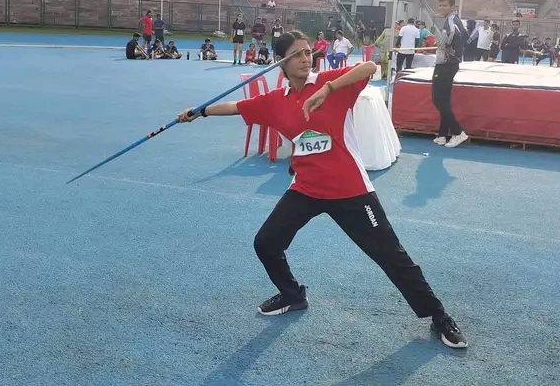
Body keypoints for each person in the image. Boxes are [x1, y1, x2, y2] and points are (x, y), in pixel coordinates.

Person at [175, 30, 468, 349]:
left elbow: (370, 69)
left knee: (391, 256)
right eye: (296, 55)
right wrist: (198, 112)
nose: (305, 59)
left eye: (307, 53)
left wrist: (327, 88)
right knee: (266, 243)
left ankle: (438, 315)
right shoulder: (275, 102)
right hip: (306, 188)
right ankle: (292, 294)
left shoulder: (330, 84)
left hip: (351, 190)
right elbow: (236, 106)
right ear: (280, 62)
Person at [431, 0, 469, 148]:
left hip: (446, 63)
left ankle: (458, 132)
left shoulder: (451, 21)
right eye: (440, 5)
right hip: (450, 63)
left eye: (444, 5)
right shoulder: (456, 20)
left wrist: (445, 46)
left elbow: (454, 34)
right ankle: (442, 134)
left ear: (451, 7)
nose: (441, 8)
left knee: (438, 99)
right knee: (444, 100)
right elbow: (465, 35)